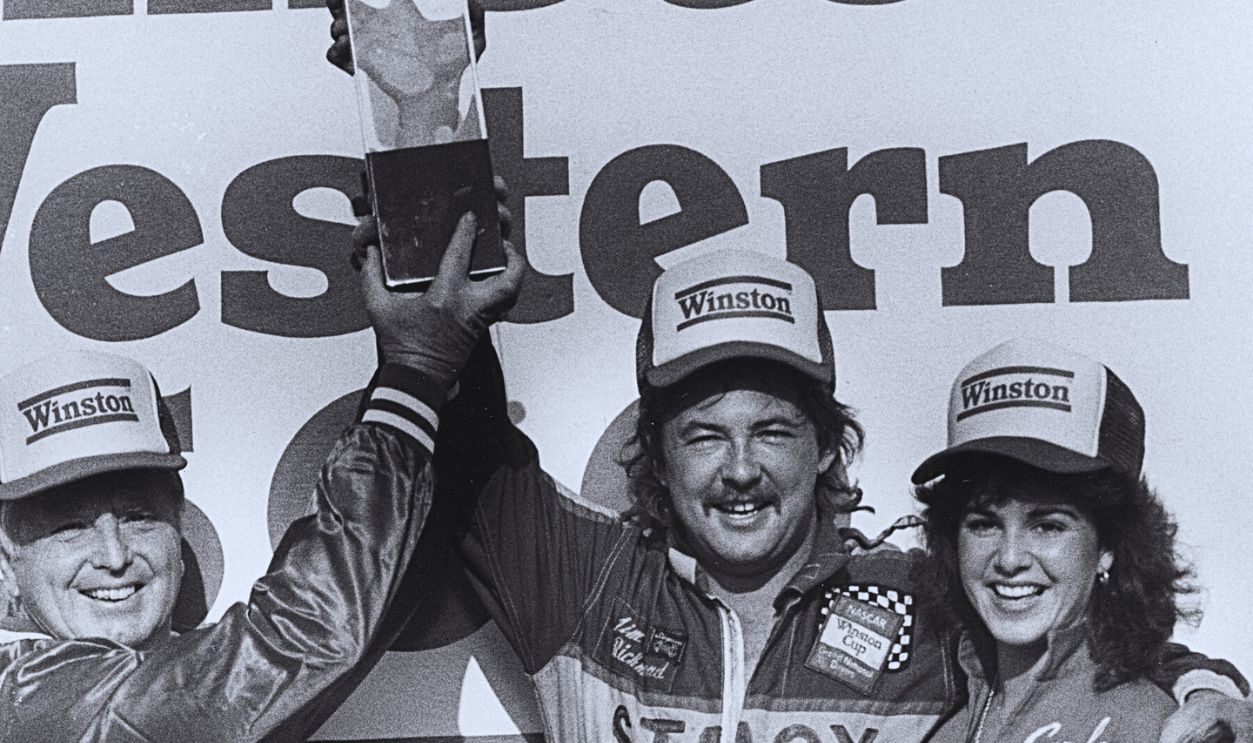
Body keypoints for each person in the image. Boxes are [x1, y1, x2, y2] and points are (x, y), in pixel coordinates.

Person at [350, 204, 1250, 741]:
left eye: (774, 430)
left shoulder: (926, 603)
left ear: (825, 446)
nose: (740, 469)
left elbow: (1091, 654)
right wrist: (422, 164)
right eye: (703, 434)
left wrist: (1206, 686)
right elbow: (456, 406)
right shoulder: (581, 579)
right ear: (655, 453)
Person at [0, 209, 523, 742]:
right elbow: (302, 637)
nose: (113, 557)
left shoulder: (200, 682)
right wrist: (416, 366)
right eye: (70, 526)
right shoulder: (28, 696)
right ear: (5, 563)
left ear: (177, 533)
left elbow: (376, 582)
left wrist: (439, 316)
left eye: (138, 518)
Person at [912, 339, 1253, 742]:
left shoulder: (1159, 726)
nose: (1009, 558)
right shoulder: (944, 706)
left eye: (1048, 526)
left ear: (1107, 545)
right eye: (984, 524)